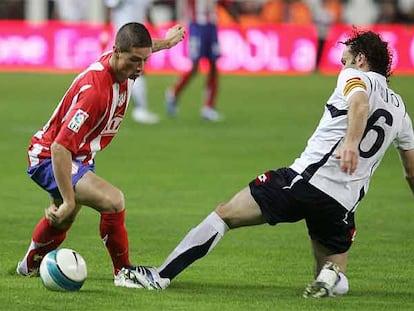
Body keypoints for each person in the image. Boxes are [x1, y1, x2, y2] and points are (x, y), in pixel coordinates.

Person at [129, 28, 414, 296]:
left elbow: (359, 103)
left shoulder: (355, 77)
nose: (343, 67)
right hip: (342, 205)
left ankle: (159, 276)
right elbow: (411, 172)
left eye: (345, 61)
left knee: (225, 214)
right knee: (326, 273)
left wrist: (350, 143)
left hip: (304, 181)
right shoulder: (401, 111)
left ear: (361, 60)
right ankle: (333, 277)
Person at [16, 22, 185, 289]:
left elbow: (140, 47)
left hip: (77, 155)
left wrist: (166, 42)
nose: (139, 68)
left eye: (144, 61)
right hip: (50, 156)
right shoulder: (96, 91)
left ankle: (29, 265)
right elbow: (60, 148)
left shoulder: (122, 63)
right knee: (113, 200)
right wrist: (68, 199)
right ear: (117, 52)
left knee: (65, 217)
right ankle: (123, 272)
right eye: (134, 61)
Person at [104, 0, 160, 124]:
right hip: (125, 34)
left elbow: (147, 9)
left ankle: (114, 109)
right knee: (133, 70)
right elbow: (111, 5)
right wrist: (106, 28)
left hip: (136, 34)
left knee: (129, 71)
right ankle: (139, 109)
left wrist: (154, 27)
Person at [166, 0, 223, 122]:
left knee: (214, 67)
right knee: (195, 67)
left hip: (212, 25)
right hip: (197, 26)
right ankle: (173, 93)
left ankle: (208, 107)